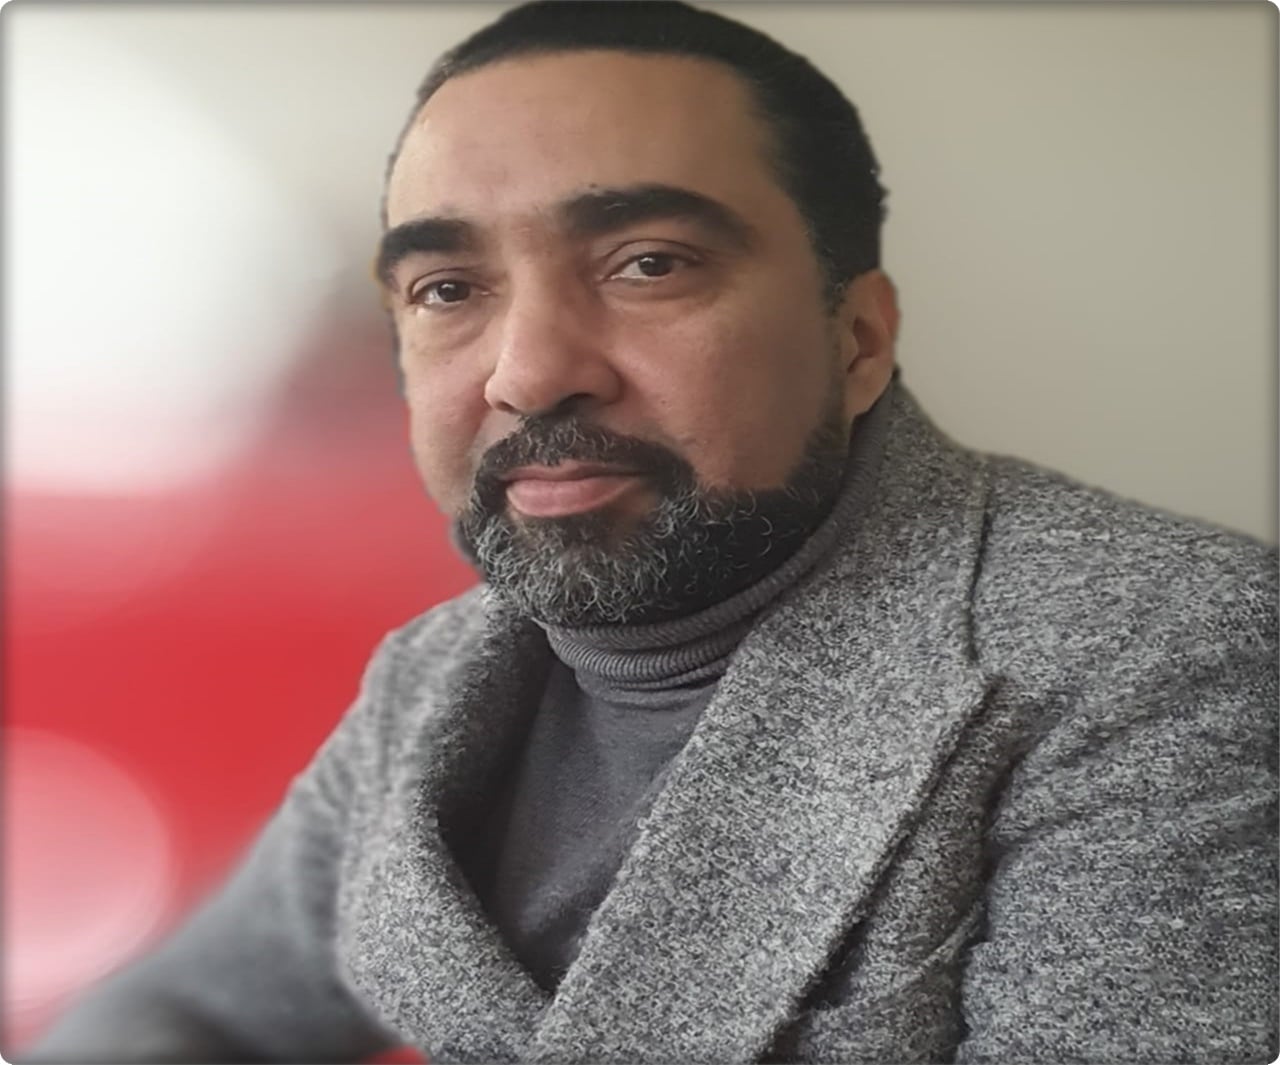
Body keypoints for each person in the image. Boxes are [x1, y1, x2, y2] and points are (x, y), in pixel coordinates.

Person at [21, 2, 1277, 1062]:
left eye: (647, 265)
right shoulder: (434, 679)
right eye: (448, 289)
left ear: (857, 340)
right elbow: (176, 1013)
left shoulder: (1169, 647)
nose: (529, 373)